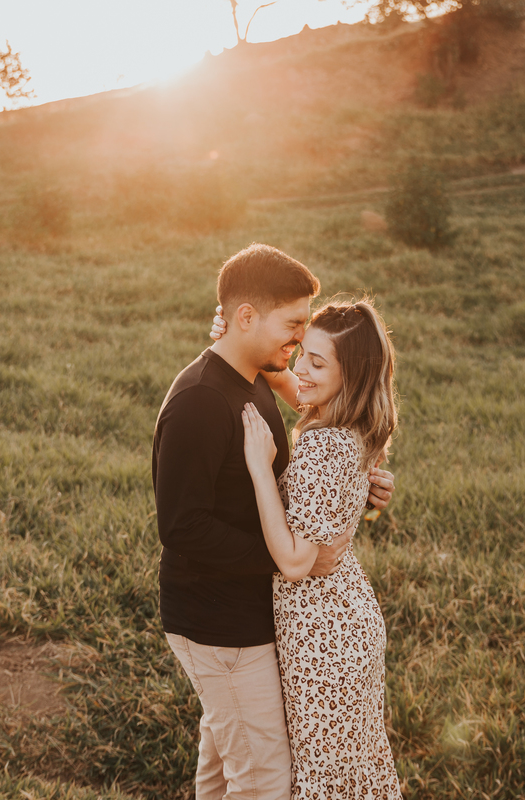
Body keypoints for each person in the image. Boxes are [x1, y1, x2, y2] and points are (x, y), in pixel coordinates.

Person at [152, 243, 395, 800]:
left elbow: (325, 434)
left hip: (252, 612)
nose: (297, 340)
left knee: (222, 763)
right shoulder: (197, 402)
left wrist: (358, 486)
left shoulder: (257, 375)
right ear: (245, 319)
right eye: (292, 327)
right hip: (220, 623)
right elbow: (182, 528)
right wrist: (297, 561)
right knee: (264, 782)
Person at [239, 299, 402, 800]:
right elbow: (294, 385)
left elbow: (292, 562)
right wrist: (235, 336)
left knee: (326, 781)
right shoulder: (349, 423)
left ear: (349, 375)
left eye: (317, 361)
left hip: (322, 641)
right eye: (301, 352)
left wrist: (260, 467)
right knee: (355, 775)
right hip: (344, 624)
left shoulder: (323, 448)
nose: (299, 369)